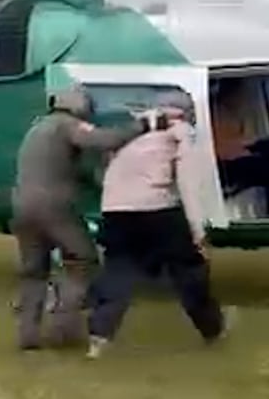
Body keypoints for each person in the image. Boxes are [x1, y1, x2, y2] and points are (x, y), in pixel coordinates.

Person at [10, 85, 173, 351]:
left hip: (21, 206)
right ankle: (64, 329)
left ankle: (27, 335)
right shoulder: (67, 125)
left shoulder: (38, 128)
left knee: (34, 273)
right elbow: (103, 140)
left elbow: (69, 168)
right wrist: (144, 125)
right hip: (52, 206)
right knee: (82, 259)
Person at [85, 90, 226, 359]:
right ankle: (213, 330)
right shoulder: (181, 132)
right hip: (157, 208)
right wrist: (198, 232)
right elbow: (188, 183)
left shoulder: (132, 130)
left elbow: (107, 172)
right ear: (186, 111)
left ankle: (99, 337)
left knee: (118, 271)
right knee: (189, 272)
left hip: (116, 211)